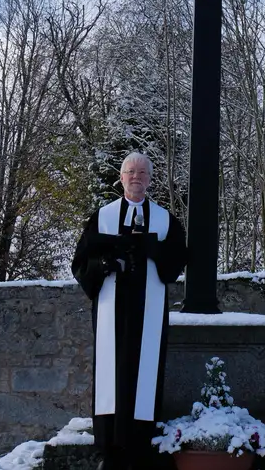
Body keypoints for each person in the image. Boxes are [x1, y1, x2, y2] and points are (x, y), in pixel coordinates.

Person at [71, 152, 189, 470]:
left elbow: (177, 261)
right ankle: (109, 449)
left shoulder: (166, 221)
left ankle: (141, 444)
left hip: (147, 313)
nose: (136, 176)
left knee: (145, 373)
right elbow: (81, 263)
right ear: (121, 178)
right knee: (114, 373)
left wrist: (154, 250)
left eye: (142, 172)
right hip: (113, 314)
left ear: (150, 178)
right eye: (130, 171)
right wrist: (105, 264)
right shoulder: (102, 218)